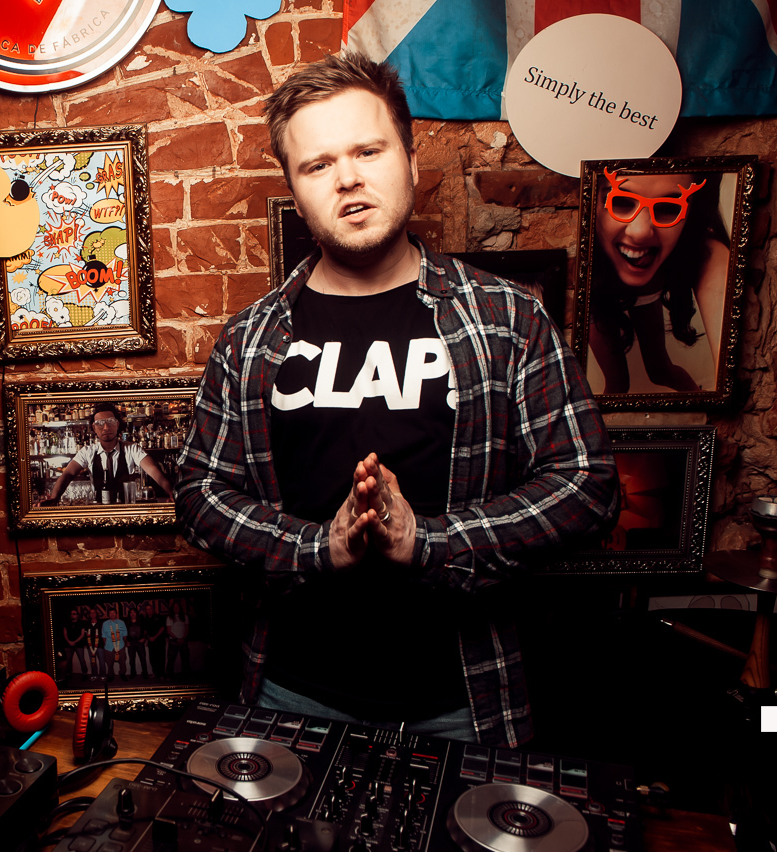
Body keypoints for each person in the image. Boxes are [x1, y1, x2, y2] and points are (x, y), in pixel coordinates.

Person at [175, 53, 619, 748]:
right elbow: (200, 493)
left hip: (464, 699)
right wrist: (318, 548)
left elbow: (587, 486)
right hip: (292, 692)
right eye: (318, 164)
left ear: (410, 162)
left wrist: (427, 543)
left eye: (368, 151)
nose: (347, 178)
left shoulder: (507, 317)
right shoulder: (251, 338)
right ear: (295, 190)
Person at [587, 168, 730, 394]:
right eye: (621, 201)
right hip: (598, 301)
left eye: (668, 207)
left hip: (645, 295)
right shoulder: (583, 255)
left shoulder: (701, 247)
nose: (641, 232)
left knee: (661, 370)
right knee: (617, 383)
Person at [38, 403, 174, 505]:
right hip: (99, 510)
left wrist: (171, 494)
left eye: (110, 422)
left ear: (117, 424)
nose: (106, 427)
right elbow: (67, 474)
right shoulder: (87, 451)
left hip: (127, 509)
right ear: (94, 428)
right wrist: (54, 498)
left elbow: (154, 471)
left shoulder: (132, 449)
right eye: (100, 423)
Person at [100, 606, 129, 681]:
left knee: (122, 662)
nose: (112, 614)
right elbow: (104, 636)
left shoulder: (121, 622)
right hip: (109, 647)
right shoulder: (105, 623)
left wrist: (123, 643)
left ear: (116, 614)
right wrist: (106, 644)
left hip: (120, 646)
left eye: (113, 613)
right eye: (110, 613)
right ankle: (111, 675)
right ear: (108, 614)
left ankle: (122, 674)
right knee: (109, 663)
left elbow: (125, 634)